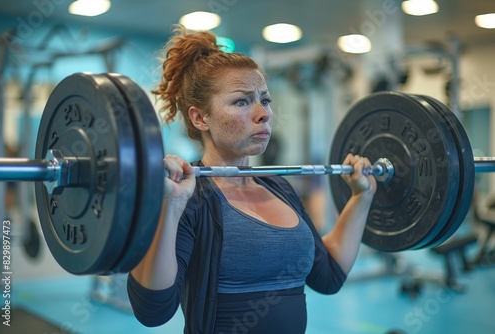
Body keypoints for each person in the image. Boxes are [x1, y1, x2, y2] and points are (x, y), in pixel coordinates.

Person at [127, 25, 377, 334]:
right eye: (242, 102)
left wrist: (361, 197)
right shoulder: (188, 197)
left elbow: (327, 276)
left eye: (266, 100)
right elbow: (153, 311)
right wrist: (172, 207)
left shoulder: (279, 186)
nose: (264, 114)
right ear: (199, 117)